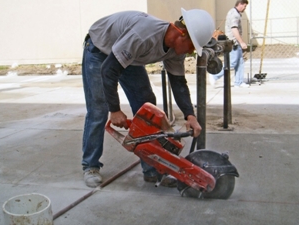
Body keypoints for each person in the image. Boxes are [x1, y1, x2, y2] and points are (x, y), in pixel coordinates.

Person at [81, 8, 215, 188]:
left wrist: (189, 115)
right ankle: (90, 166)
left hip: (128, 54)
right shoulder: (143, 35)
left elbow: (178, 82)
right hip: (100, 50)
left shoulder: (176, 50)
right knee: (99, 109)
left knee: (147, 106)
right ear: (181, 34)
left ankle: (153, 169)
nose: (190, 53)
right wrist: (115, 109)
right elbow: (109, 70)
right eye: (192, 47)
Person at [209, 0, 249, 88]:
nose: (245, 8)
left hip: (234, 42)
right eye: (244, 6)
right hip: (234, 42)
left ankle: (239, 82)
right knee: (232, 63)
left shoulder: (234, 12)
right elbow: (234, 29)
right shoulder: (234, 14)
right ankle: (215, 75)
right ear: (240, 4)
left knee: (240, 62)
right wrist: (241, 42)